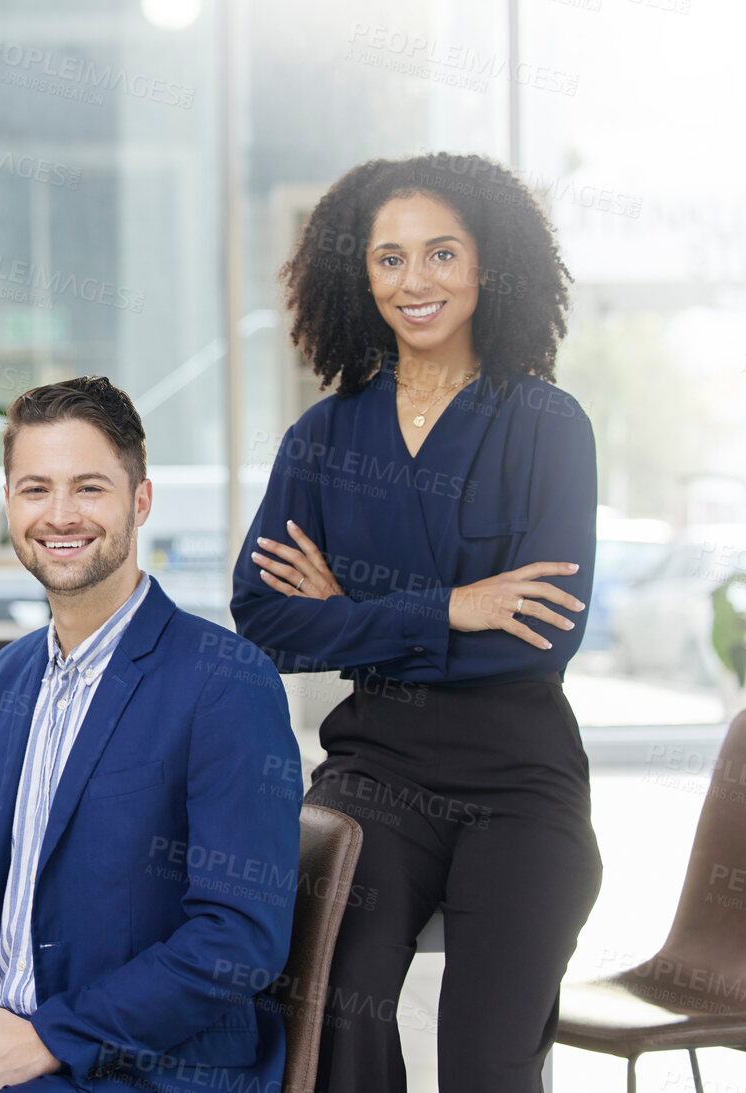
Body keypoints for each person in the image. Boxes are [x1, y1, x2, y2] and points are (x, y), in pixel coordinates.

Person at [0, 377, 301, 1093]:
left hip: (145, 1067)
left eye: (89, 488)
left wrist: (47, 1036)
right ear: (9, 504)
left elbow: (237, 938)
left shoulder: (226, 680)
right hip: (3, 1042)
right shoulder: (9, 677)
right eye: (35, 488)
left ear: (141, 501)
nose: (60, 514)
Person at [231, 152, 602, 1091]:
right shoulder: (321, 438)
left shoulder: (548, 426)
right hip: (375, 775)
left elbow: (542, 636)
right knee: (330, 1020)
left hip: (522, 783)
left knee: (488, 1054)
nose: (415, 281)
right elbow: (265, 623)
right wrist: (452, 607)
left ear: (489, 265)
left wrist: (350, 615)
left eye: (442, 253)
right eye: (388, 259)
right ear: (358, 277)